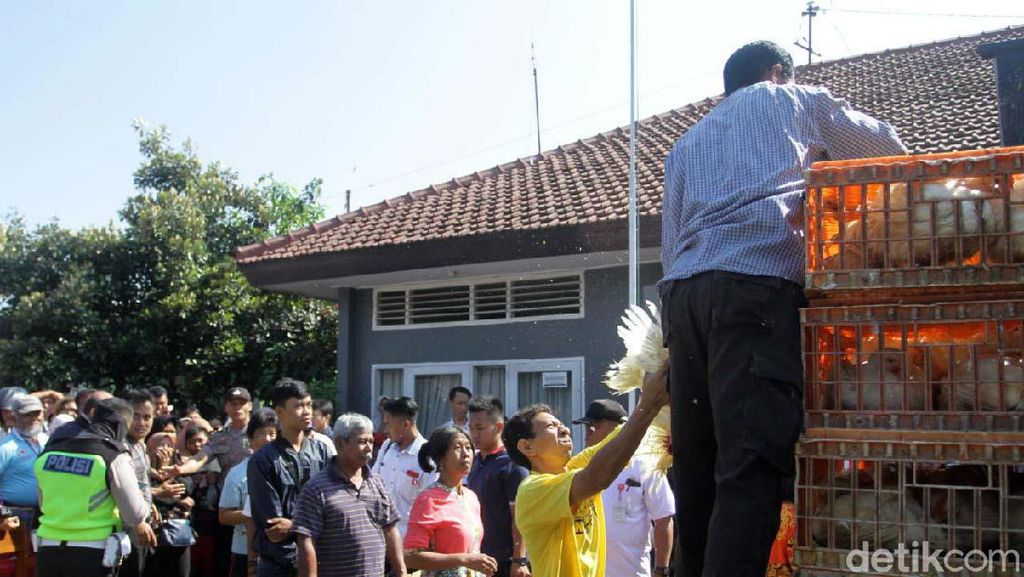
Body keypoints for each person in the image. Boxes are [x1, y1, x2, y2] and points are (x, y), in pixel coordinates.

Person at [658, 41, 907, 577]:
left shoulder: (686, 143)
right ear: (776, 73)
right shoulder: (790, 98)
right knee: (749, 465)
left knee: (697, 468)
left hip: (684, 299)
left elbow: (670, 241)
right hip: (754, 290)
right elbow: (888, 148)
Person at [502, 362, 668, 577]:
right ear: (527, 447)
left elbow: (621, 439)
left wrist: (653, 380)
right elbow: (597, 478)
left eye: (560, 423)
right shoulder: (532, 490)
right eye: (551, 426)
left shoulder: (574, 467)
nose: (565, 429)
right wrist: (647, 406)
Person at [34, 398, 157, 577]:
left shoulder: (49, 450)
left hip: (48, 550)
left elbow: (42, 500)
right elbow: (134, 514)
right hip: (93, 553)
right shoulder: (112, 455)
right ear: (122, 425)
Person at [293, 413, 407, 577]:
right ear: (340, 443)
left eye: (371, 441)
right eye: (362, 441)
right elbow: (306, 541)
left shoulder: (376, 482)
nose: (369, 448)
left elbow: (390, 530)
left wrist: (401, 572)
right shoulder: (317, 489)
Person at [574, 399, 675, 577]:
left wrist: (661, 568)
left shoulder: (645, 464)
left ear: (620, 429)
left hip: (631, 572)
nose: (588, 431)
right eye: (586, 425)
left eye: (595, 425)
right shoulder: (580, 466)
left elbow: (663, 518)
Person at [247, 379, 332, 577]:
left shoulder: (322, 452)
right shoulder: (263, 460)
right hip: (279, 565)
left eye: (309, 405)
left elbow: (334, 509)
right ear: (279, 412)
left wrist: (294, 525)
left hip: (322, 560)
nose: (307, 412)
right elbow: (274, 527)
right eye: (299, 406)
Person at [174, 387, 255, 576]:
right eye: (232, 404)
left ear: (250, 406)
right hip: (229, 505)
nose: (237, 408)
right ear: (226, 407)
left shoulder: (261, 431)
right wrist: (181, 469)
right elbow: (200, 459)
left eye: (242, 404)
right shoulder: (220, 437)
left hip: (256, 499)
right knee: (223, 559)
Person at [404, 427, 494, 577]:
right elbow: (411, 557)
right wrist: (463, 559)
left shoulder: (471, 497)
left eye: (468, 447)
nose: (466, 454)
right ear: (441, 458)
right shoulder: (428, 499)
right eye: (457, 447)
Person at [465, 397, 529, 577]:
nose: (474, 434)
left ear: (499, 427)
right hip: (479, 559)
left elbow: (520, 517)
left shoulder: (513, 464)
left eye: (480, 428)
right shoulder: (474, 461)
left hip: (505, 562)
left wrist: (519, 560)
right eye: (470, 428)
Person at [220, 408, 278, 577]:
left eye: (272, 433)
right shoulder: (237, 473)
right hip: (243, 550)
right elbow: (224, 516)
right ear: (250, 439)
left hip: (278, 551)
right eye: (261, 433)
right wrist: (251, 514)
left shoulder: (285, 471)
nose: (268, 439)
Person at [371, 397, 438, 539]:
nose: (385, 430)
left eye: (388, 425)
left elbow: (431, 506)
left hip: (409, 542)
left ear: (406, 425)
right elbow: (372, 483)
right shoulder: (386, 447)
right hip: (381, 538)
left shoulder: (427, 455)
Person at [0, 395, 47, 577]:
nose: (35, 418)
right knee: (16, 568)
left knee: (39, 566)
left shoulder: (48, 441)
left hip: (44, 515)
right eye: (29, 414)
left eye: (38, 413)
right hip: (14, 517)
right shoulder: (5, 447)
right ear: (15, 417)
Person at [144, 432, 191, 577]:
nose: (165, 449)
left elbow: (186, 492)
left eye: (169, 445)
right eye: (161, 445)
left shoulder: (179, 471)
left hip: (177, 533)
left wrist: (166, 472)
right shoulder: (142, 473)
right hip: (154, 532)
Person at [121, 390, 157, 577]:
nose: (142, 423)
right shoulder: (120, 446)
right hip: (126, 528)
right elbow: (122, 490)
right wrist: (138, 521)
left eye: (147, 417)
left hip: (142, 525)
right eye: (136, 416)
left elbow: (141, 483)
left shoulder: (141, 445)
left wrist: (151, 504)